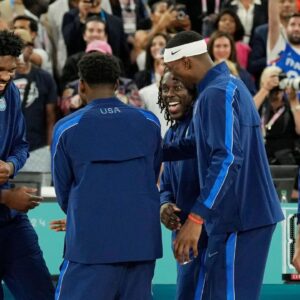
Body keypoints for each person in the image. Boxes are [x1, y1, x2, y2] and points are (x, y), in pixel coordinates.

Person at [163, 30, 284, 300]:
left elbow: (227, 158)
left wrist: (196, 218)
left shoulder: (217, 93)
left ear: (186, 62)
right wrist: (155, 151)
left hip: (240, 219)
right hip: (241, 217)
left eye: (173, 70)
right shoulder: (228, 85)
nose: (175, 79)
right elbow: (199, 143)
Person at [52, 52, 162, 300]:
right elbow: (151, 175)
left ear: (81, 85)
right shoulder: (149, 122)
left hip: (89, 247)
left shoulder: (66, 128)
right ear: (116, 85)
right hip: (141, 245)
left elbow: (63, 191)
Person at [0, 30, 54, 299]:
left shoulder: (9, 92)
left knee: (42, 293)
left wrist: (10, 166)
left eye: (10, 71)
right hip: (7, 203)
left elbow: (21, 145)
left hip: (9, 222)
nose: (5, 78)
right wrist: (6, 196)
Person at [158, 69, 208, 300]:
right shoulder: (170, 134)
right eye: (165, 89)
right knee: (186, 293)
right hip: (182, 234)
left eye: (177, 88)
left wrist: (197, 218)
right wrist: (165, 205)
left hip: (206, 229)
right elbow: (166, 183)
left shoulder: (203, 127)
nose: (169, 94)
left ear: (192, 92)